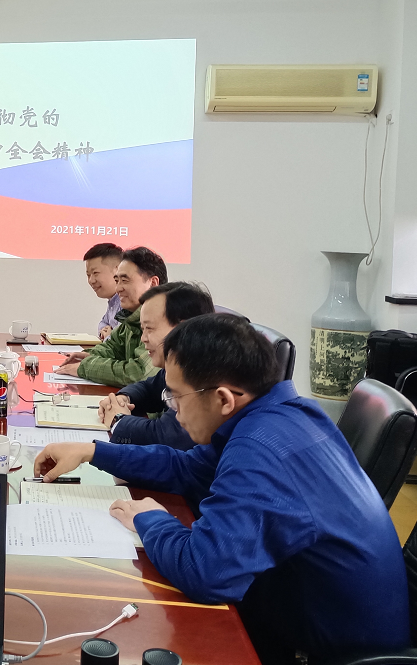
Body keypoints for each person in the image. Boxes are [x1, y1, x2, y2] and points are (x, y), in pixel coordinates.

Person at [34, 315, 409, 665]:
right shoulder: (282, 413)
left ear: (224, 399)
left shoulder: (261, 449)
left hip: (325, 653)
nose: (175, 412)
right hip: (298, 612)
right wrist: (93, 452)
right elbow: (185, 468)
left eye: (176, 398)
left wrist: (152, 520)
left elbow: (205, 572)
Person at [101, 281, 214, 452]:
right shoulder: (181, 362)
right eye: (142, 329)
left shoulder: (206, 371)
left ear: (183, 328)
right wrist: (123, 399)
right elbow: (149, 388)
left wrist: (117, 419)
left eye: (149, 329)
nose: (143, 338)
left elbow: (166, 437)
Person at [57, 246, 167, 387]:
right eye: (117, 281)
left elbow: (138, 373)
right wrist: (88, 355)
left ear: (153, 283)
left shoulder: (165, 319)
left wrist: (85, 367)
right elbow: (111, 349)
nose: (118, 288)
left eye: (125, 281)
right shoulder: (132, 317)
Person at [84, 243, 123, 340]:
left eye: (95, 273)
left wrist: (109, 336)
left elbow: (120, 341)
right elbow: (103, 323)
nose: (91, 280)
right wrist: (106, 332)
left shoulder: (127, 301)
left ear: (118, 270)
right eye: (88, 275)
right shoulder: (113, 301)